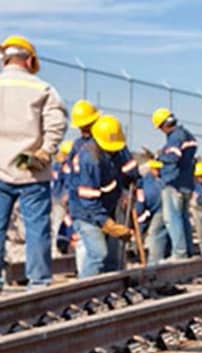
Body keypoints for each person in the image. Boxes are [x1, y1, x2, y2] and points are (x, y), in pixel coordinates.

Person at [0, 35, 67, 290]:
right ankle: (38, 283)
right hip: (31, 171)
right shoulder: (42, 89)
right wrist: (45, 151)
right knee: (37, 229)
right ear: (29, 60)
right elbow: (56, 124)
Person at [69, 115, 133, 278]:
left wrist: (131, 179)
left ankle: (107, 290)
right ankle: (82, 294)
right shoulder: (90, 159)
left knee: (112, 258)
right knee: (98, 254)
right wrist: (106, 223)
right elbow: (87, 198)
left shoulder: (115, 150)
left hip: (107, 206)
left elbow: (127, 167)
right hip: (86, 213)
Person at [152, 108, 197, 260]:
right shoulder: (186, 134)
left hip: (174, 183)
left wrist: (159, 157)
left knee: (172, 218)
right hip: (186, 183)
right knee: (182, 217)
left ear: (164, 125)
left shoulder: (175, 137)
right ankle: (187, 250)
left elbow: (173, 157)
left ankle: (179, 253)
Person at [135, 159, 169, 265]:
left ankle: (155, 261)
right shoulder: (146, 182)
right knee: (145, 231)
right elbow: (140, 207)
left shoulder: (160, 181)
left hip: (159, 209)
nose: (158, 171)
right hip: (147, 209)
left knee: (155, 233)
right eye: (156, 169)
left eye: (159, 169)